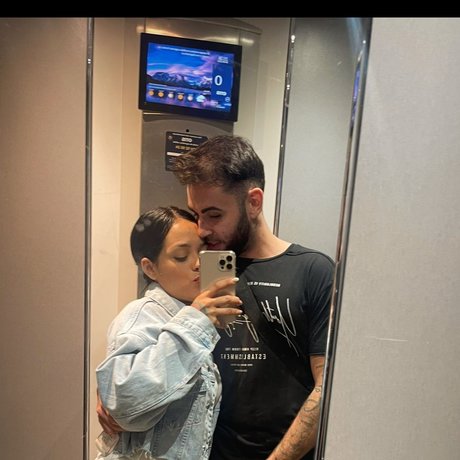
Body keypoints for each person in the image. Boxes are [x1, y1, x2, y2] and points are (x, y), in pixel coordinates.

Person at [171, 135, 335, 460]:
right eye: (196, 214)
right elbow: (154, 334)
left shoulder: (313, 271)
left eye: (214, 215)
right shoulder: (195, 269)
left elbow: (327, 387)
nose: (202, 229)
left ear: (254, 202)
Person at [95, 206, 243, 459]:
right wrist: (196, 321)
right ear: (150, 268)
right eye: (182, 256)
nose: (198, 264)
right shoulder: (142, 314)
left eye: (203, 252)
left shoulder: (190, 314)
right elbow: (124, 403)